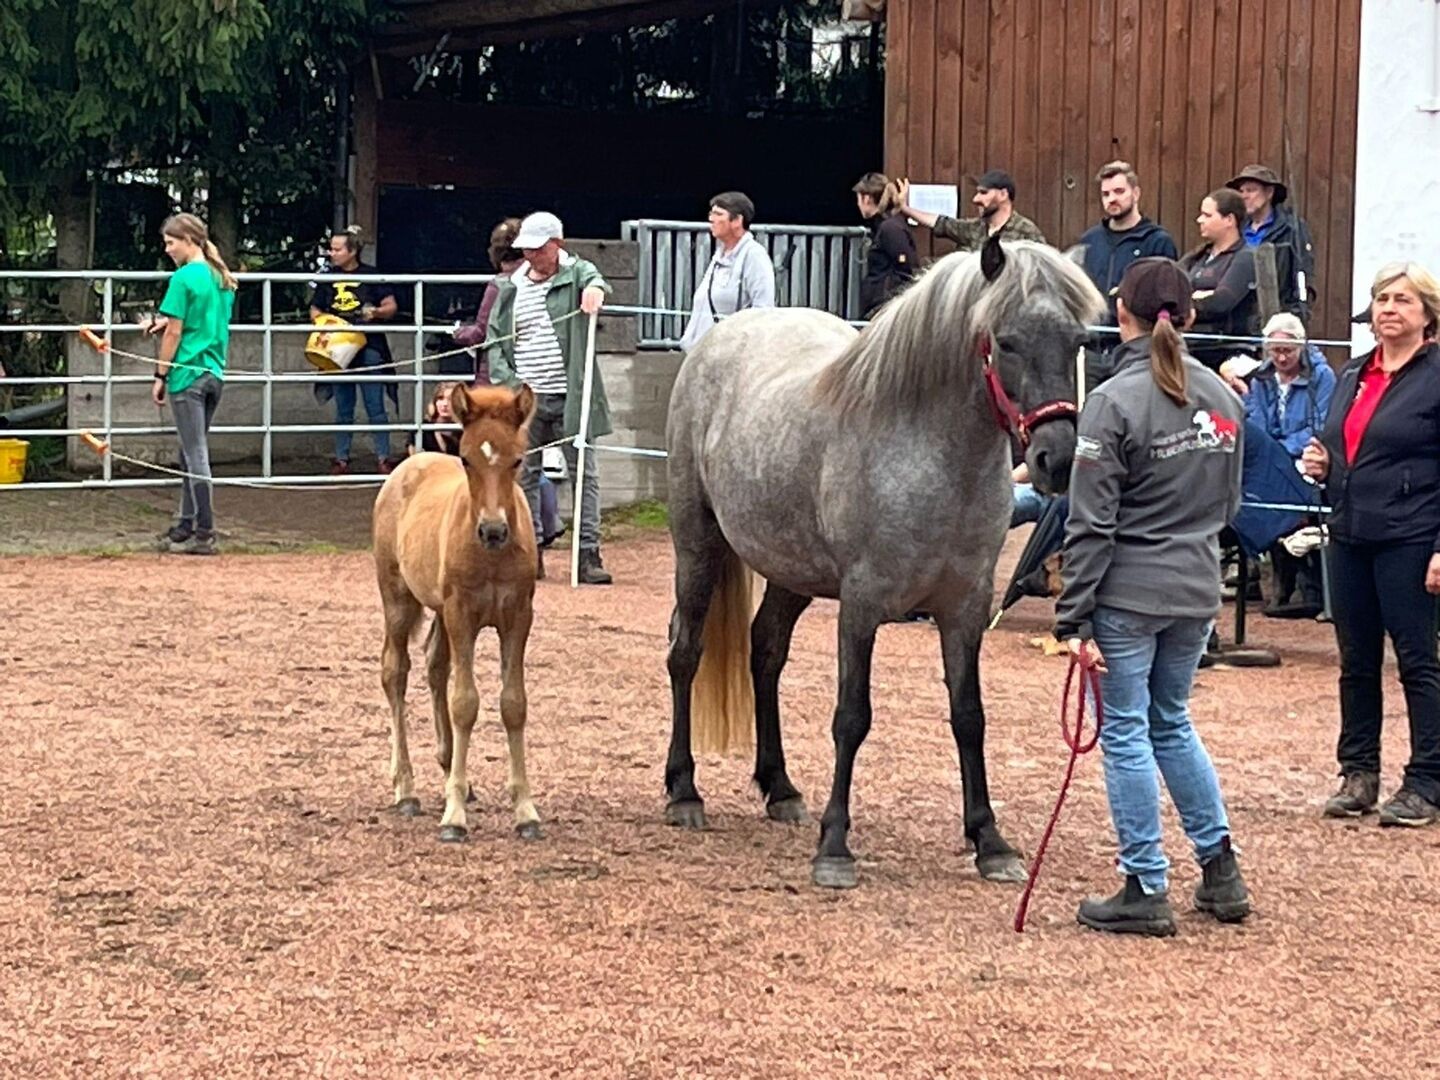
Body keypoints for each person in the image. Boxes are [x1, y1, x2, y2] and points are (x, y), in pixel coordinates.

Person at [1055, 257, 1251, 937]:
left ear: (1121, 314)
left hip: (1129, 592)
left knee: (1126, 730)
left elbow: (1090, 522)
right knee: (1171, 722)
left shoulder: (1111, 401)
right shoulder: (1223, 396)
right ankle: (1220, 867)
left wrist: (1072, 615)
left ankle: (1145, 882)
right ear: (1189, 316)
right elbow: (1230, 503)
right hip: (1196, 585)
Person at [1301, 262, 1440, 827]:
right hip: (1350, 530)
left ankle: (1427, 781)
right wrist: (1324, 464)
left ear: (1428, 314)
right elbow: (1342, 442)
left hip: (1412, 535)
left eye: (1403, 300)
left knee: (1417, 661)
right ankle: (1358, 773)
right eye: (1382, 298)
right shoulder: (1355, 372)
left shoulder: (1436, 375)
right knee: (1355, 660)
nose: (1389, 309)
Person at [481, 211, 612, 584]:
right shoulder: (510, 287)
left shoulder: (576, 273)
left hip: (571, 394)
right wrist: (514, 387)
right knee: (524, 475)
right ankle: (529, 551)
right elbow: (495, 342)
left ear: (557, 244)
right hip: (527, 402)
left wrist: (595, 289)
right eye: (527, 249)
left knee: (584, 476)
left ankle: (587, 553)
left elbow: (595, 277)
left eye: (538, 249)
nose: (531, 256)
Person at [1223, 313, 1336, 618]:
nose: (1282, 358)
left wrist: (1282, 449)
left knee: (1278, 481)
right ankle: (1274, 573)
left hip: (1303, 455)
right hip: (1271, 456)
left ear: (1302, 347)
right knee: (1254, 480)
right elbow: (1256, 422)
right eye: (1275, 351)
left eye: (1288, 351)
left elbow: (1320, 426)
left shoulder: (1322, 377)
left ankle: (1285, 577)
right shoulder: (1262, 378)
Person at [146, 213, 236, 556]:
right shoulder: (220, 277)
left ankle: (204, 531)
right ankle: (186, 524)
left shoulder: (183, 278)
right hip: (214, 371)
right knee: (190, 449)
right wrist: (166, 322)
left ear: (188, 240)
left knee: (195, 452)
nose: (168, 249)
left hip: (187, 374)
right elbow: (203, 320)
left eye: (171, 242)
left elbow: (176, 332)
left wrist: (160, 374)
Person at [309, 226, 399, 475]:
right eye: (331, 249)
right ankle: (342, 458)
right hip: (339, 347)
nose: (332, 253)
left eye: (337, 249)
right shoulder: (328, 277)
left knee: (375, 405)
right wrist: (325, 323)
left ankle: (383, 457)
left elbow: (391, 305)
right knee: (343, 406)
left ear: (352, 251)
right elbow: (315, 309)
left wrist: (376, 313)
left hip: (369, 346)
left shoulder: (372, 275)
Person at [1076, 161, 1178, 320]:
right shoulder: (1089, 241)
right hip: (1093, 330)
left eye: (1119, 191)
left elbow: (1167, 297)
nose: (1111, 199)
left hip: (1138, 332)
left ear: (1136, 193)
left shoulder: (1157, 242)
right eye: (1106, 194)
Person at [678, 192, 776, 351]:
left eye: (718, 214)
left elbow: (763, 311)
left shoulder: (754, 256)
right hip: (703, 353)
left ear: (737, 220)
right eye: (711, 213)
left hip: (729, 355)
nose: (711, 219)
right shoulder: (720, 254)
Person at [1179, 189, 1258, 371]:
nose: (1199, 220)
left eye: (1207, 215)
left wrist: (1185, 302)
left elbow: (1221, 303)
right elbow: (1170, 285)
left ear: (1229, 220)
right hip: (1189, 350)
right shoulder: (1197, 256)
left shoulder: (1245, 258)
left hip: (1225, 355)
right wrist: (1197, 298)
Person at [1227, 163, 1316, 320]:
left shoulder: (1291, 229)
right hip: (1237, 318)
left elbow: (1303, 273)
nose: (1244, 196)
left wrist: (1297, 314)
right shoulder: (1235, 228)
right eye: (1241, 191)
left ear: (1269, 193)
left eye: (1251, 190)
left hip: (1277, 315)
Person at [897, 169, 1047, 251]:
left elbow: (1045, 271)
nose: (975, 199)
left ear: (1003, 194)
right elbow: (939, 222)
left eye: (983, 193)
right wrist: (905, 208)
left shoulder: (1027, 232)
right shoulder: (974, 228)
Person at [851, 172, 918, 317]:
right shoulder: (886, 225)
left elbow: (904, 269)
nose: (858, 204)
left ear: (866, 199)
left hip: (884, 307)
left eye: (858, 199)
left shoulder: (890, 228)